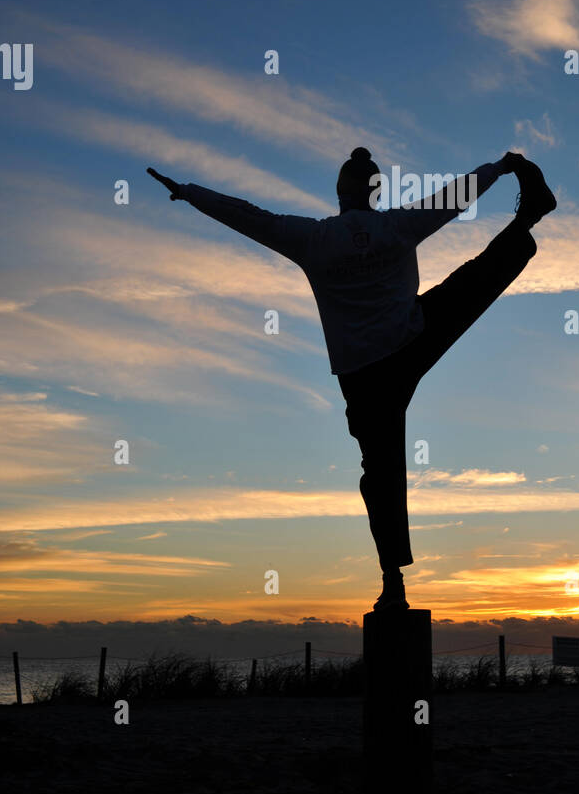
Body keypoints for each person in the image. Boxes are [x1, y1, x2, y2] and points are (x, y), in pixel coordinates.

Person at [147, 148, 556, 610]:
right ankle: (525, 226)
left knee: (380, 472)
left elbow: (248, 216)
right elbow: (454, 197)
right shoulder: (396, 225)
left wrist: (189, 192)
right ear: (376, 192)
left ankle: (392, 580)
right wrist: (500, 169)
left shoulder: (312, 239)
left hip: (364, 377)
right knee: (473, 281)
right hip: (413, 340)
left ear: (340, 194)